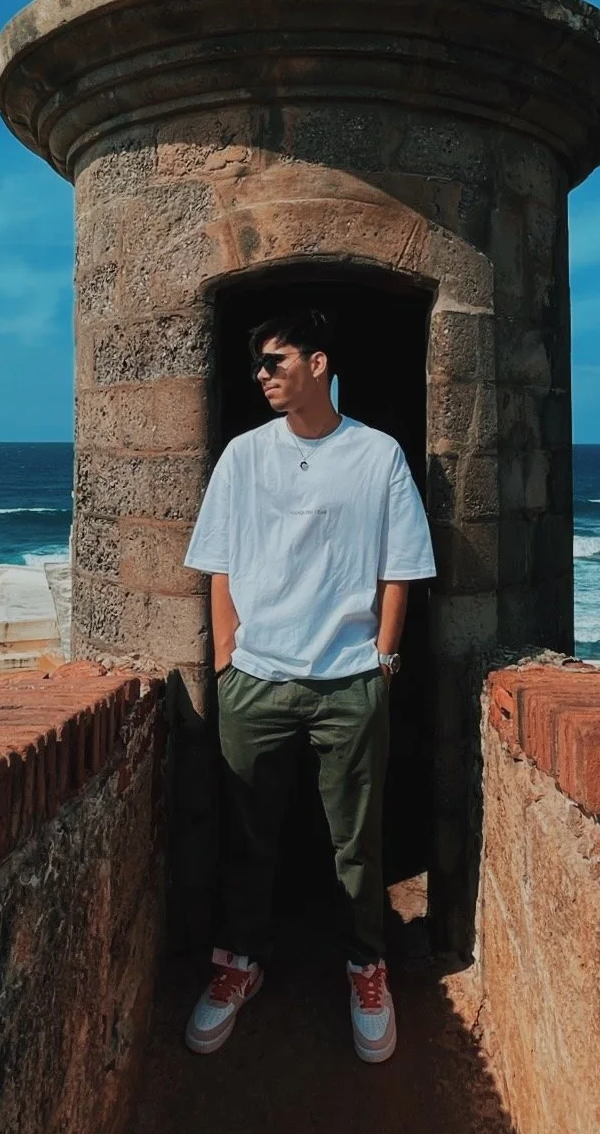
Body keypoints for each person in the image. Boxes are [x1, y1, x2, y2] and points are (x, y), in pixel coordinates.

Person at [182, 307, 436, 1063]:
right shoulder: (242, 456)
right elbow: (218, 563)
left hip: (348, 680)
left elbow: (400, 567)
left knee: (357, 844)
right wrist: (228, 657)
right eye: (257, 364)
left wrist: (384, 661)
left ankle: (367, 968)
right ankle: (238, 966)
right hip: (254, 680)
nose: (260, 374)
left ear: (319, 362)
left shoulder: (377, 455)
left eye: (275, 359)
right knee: (248, 835)